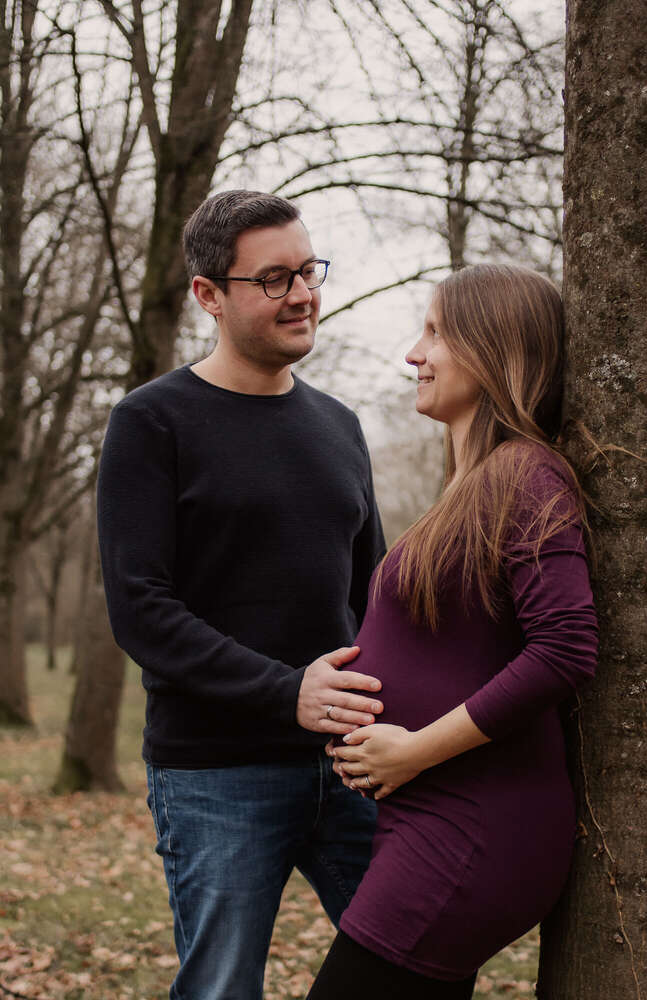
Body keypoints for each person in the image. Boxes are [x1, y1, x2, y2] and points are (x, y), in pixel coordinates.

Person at [97, 190, 386, 1000]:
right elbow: (141, 608)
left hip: (352, 765)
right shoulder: (152, 422)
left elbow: (374, 597)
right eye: (273, 279)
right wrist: (285, 691)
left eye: (307, 270)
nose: (301, 293)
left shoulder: (339, 425)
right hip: (216, 774)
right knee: (222, 988)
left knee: (416, 963)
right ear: (208, 295)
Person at [306, 263, 598, 999]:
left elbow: (565, 650)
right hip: (435, 820)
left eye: (434, 332)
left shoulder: (526, 474)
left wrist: (410, 750)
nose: (413, 354)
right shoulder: (477, 484)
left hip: (469, 828)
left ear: (492, 347)